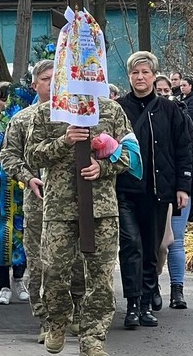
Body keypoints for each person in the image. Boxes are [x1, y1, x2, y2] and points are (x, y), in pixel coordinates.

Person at [27, 95, 134, 356]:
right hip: (59, 208)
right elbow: (32, 155)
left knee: (101, 279)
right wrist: (63, 142)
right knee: (53, 271)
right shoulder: (47, 111)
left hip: (101, 208)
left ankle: (93, 339)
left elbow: (130, 153)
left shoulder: (110, 109)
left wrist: (104, 166)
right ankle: (57, 321)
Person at [0, 60, 82, 343]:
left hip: (74, 200)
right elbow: (8, 155)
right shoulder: (23, 119)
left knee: (77, 260)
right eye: (46, 79)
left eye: (56, 79)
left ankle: (77, 313)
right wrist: (27, 177)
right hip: (39, 203)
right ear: (35, 85)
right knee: (40, 262)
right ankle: (47, 320)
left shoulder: (76, 116)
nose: (52, 84)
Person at [115, 51, 193, 329]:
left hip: (158, 191)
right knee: (131, 246)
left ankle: (147, 304)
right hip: (125, 190)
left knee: (151, 248)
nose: (140, 77)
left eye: (145, 72)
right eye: (135, 73)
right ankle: (132, 304)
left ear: (154, 75)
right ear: (129, 76)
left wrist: (183, 187)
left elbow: (184, 150)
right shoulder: (118, 108)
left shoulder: (171, 110)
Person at [158, 77, 193, 311]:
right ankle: (151, 285)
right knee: (154, 245)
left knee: (176, 242)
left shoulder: (182, 116)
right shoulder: (139, 116)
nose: (163, 94)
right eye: (159, 90)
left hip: (180, 190)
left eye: (167, 90)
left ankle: (177, 290)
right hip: (153, 191)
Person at [0, 80, 28, 306]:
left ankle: (19, 279)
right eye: (1, 98)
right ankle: (3, 285)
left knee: (20, 234)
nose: (5, 103)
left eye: (9, 98)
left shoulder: (21, 121)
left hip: (20, 187)